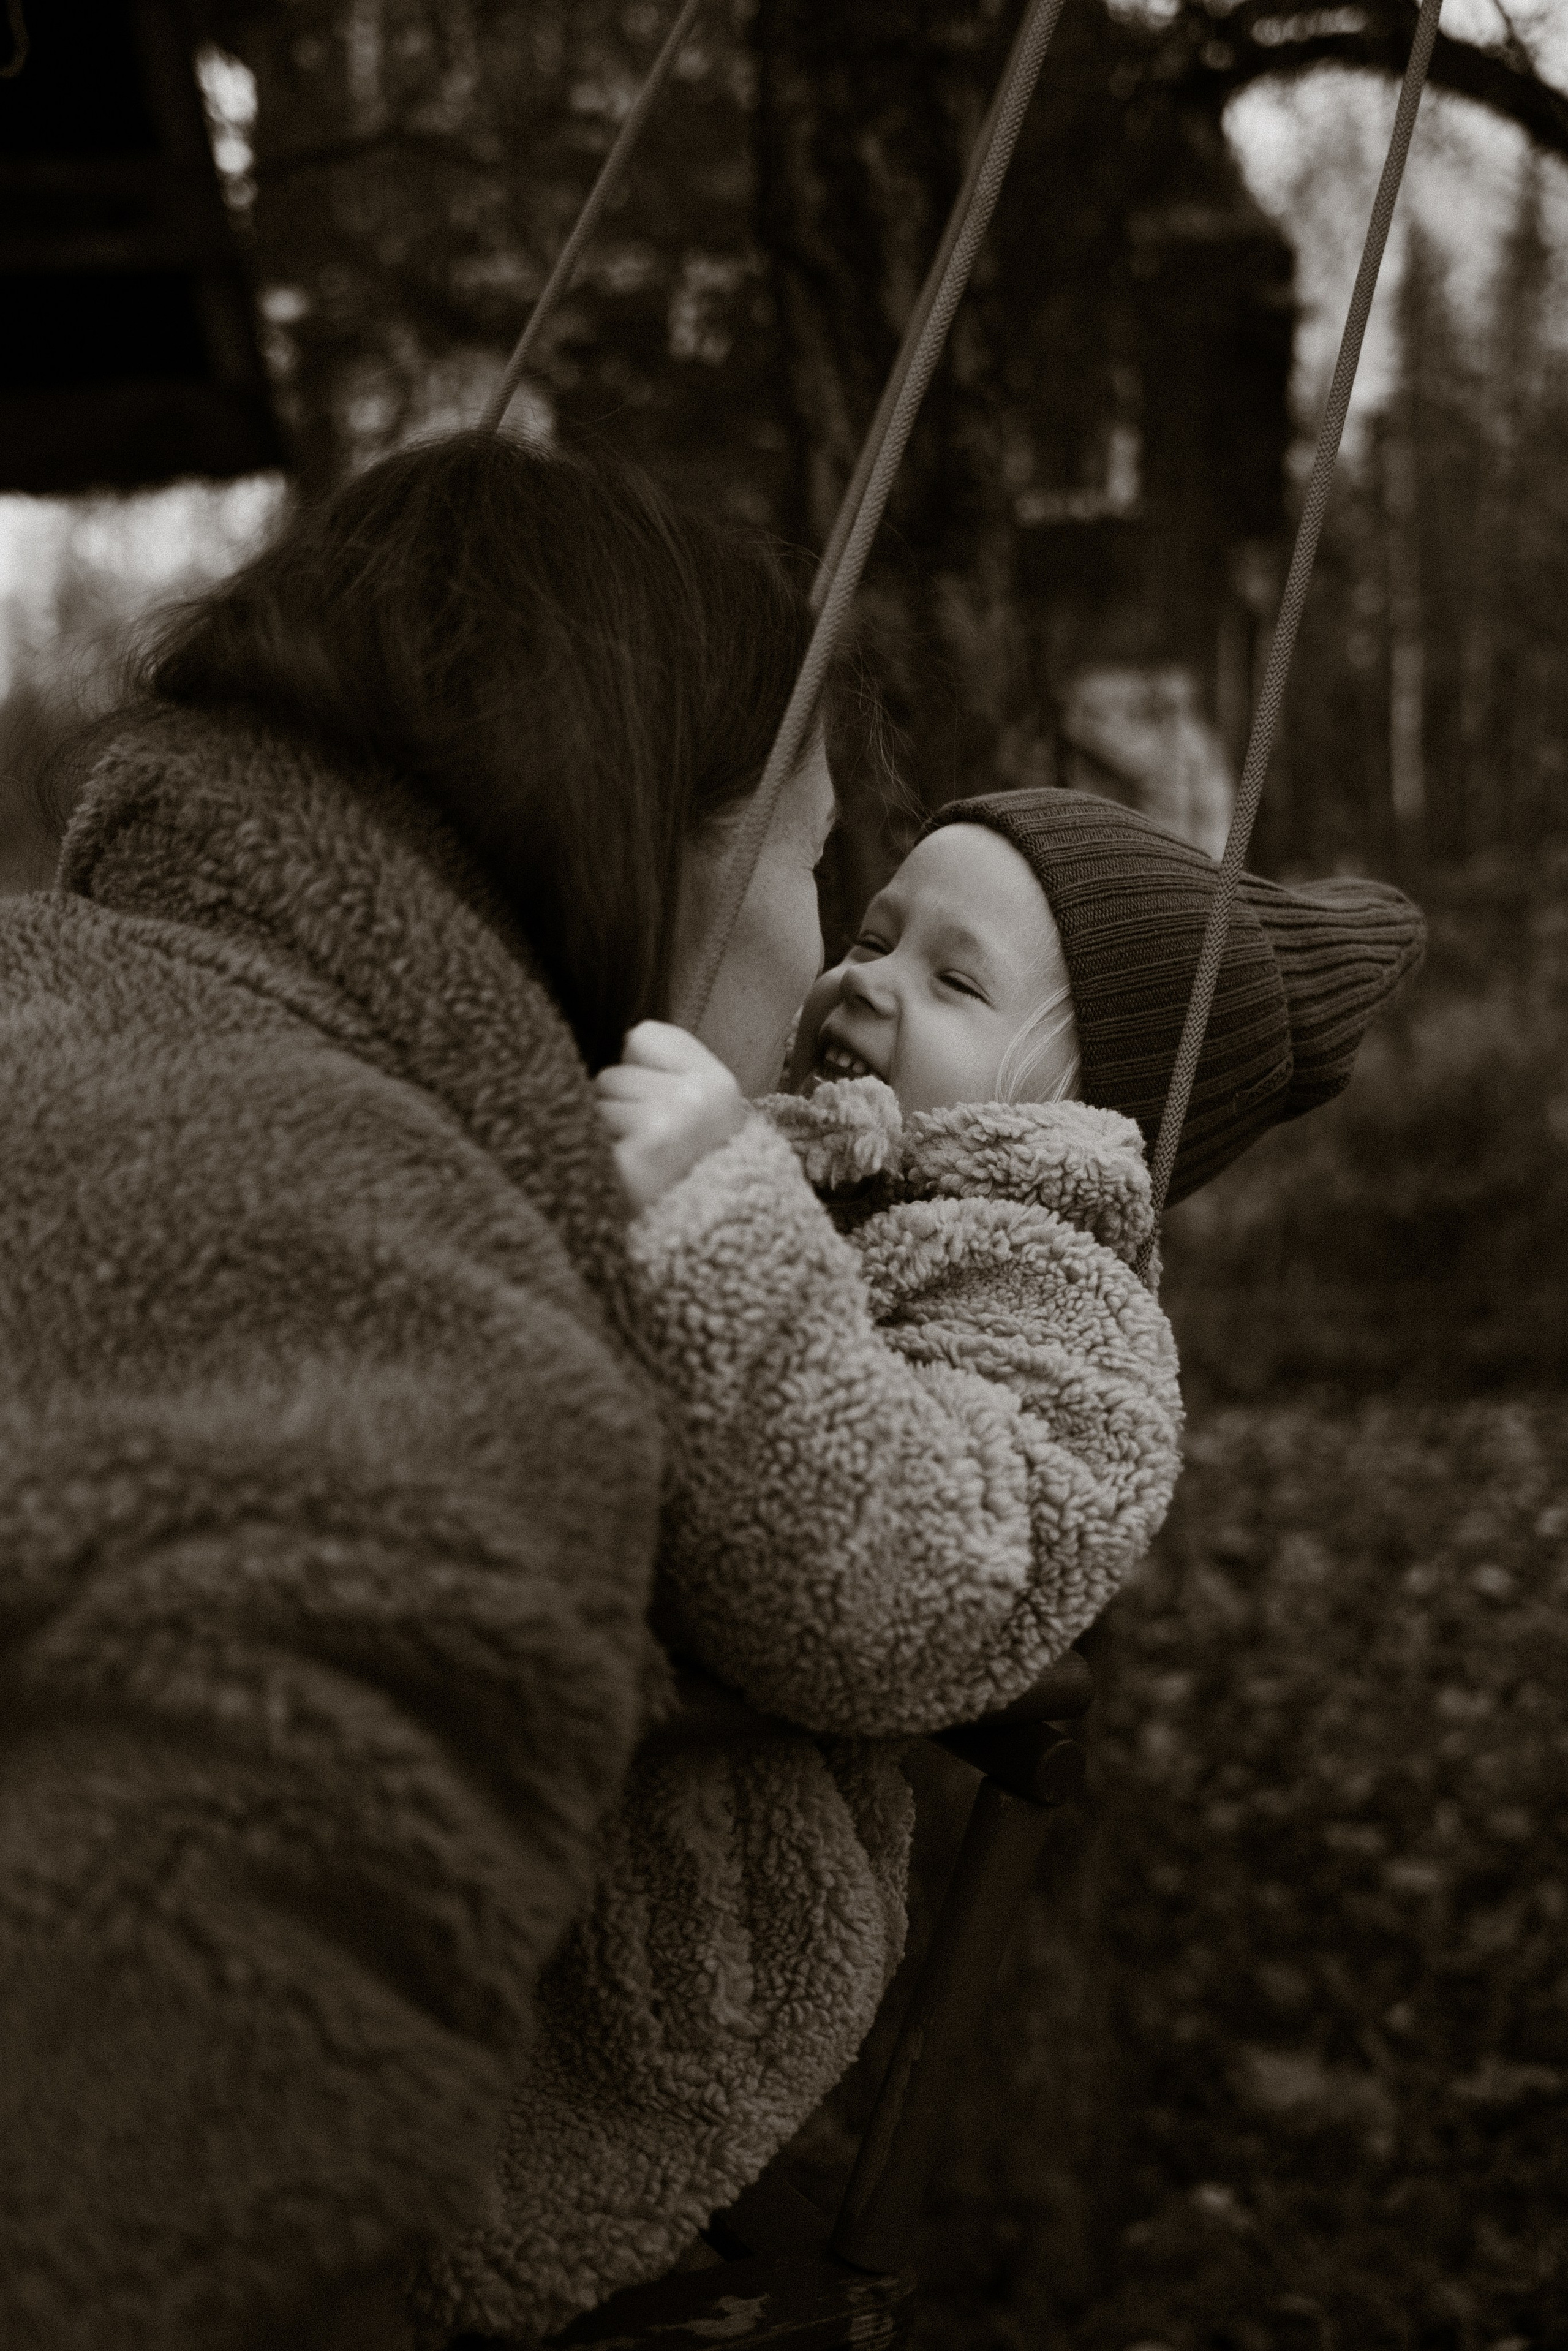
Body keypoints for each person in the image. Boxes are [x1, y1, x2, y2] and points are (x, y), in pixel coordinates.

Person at [0, 430, 877, 2351]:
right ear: (668, 846)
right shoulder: (449, 1345)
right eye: (823, 863)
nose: (829, 971)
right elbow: (170, 2195)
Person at [417, 787, 1423, 2347]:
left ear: (1101, 1105)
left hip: (658, 1918)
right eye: (874, 929)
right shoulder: (774, 1167)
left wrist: (705, 1218)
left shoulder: (1057, 1306)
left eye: (958, 980)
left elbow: (913, 1583)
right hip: (468, 1782)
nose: (866, 979)